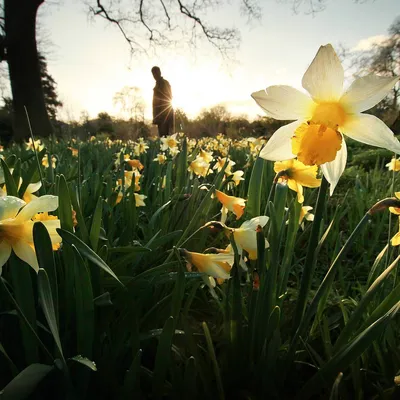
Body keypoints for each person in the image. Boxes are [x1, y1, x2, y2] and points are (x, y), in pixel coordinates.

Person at [151, 66, 174, 136]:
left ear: (160, 72)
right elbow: (155, 103)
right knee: (163, 137)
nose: (155, 75)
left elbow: (168, 98)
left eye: (156, 73)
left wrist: (162, 113)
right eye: (153, 74)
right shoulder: (157, 85)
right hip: (159, 116)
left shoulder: (165, 83)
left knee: (167, 137)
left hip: (165, 114)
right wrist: (155, 116)